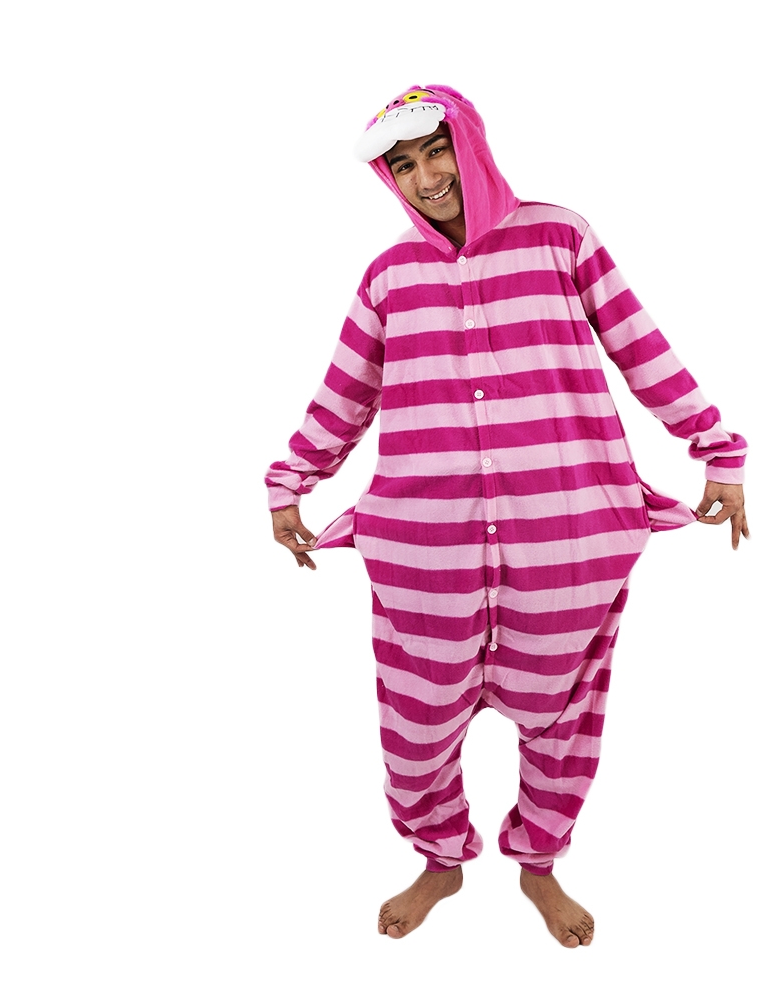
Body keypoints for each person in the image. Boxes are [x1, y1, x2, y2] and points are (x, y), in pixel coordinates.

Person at [266, 84, 748, 948]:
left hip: (567, 534)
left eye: (436, 151)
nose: (426, 177)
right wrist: (290, 478)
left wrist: (716, 447)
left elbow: (640, 344)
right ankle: (440, 860)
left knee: (563, 720)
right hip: (427, 548)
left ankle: (540, 866)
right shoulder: (389, 276)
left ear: (471, 144)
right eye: (403, 166)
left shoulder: (561, 237)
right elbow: (346, 391)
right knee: (415, 729)